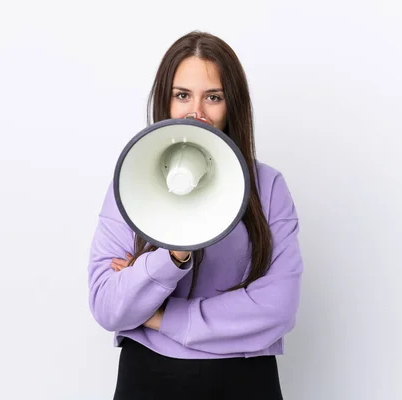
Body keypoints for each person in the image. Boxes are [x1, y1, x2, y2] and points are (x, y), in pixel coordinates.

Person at [87, 31, 304, 400]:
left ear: (232, 104)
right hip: (149, 381)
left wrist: (158, 317)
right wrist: (170, 258)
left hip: (245, 384)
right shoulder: (131, 182)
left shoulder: (267, 187)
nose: (196, 112)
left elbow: (277, 309)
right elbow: (108, 307)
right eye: (182, 95)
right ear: (165, 100)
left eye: (213, 97)